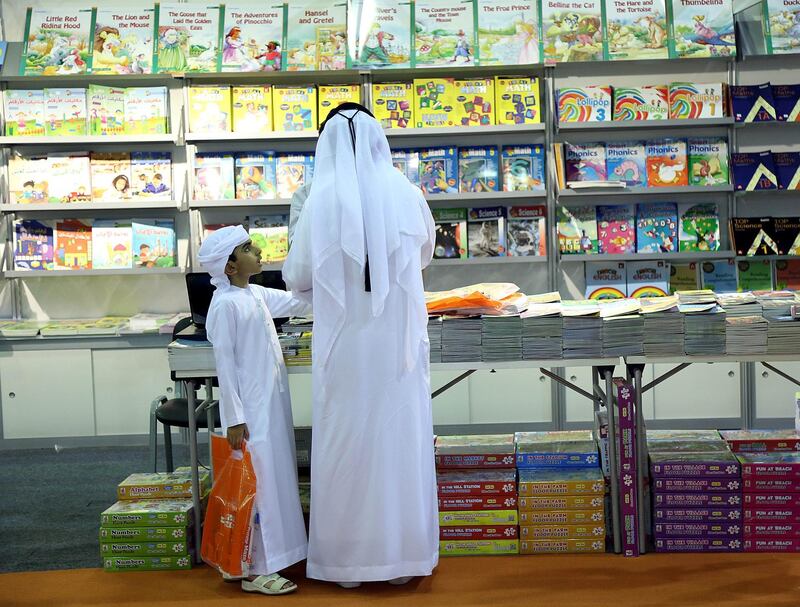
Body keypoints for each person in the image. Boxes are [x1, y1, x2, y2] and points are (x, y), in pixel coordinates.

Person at [283, 104, 438, 587]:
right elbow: (426, 253)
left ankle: (347, 565)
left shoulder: (320, 200)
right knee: (399, 443)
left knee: (347, 447)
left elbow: (297, 275)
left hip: (346, 349)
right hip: (396, 350)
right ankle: (402, 559)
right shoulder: (407, 193)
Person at [198, 225, 311, 596]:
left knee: (274, 479)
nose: (259, 251)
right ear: (230, 266)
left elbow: (299, 303)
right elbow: (224, 365)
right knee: (258, 484)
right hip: (249, 413)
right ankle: (254, 568)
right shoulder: (225, 304)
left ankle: (264, 558)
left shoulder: (256, 294)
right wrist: (234, 417)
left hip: (270, 406)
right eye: (248, 248)